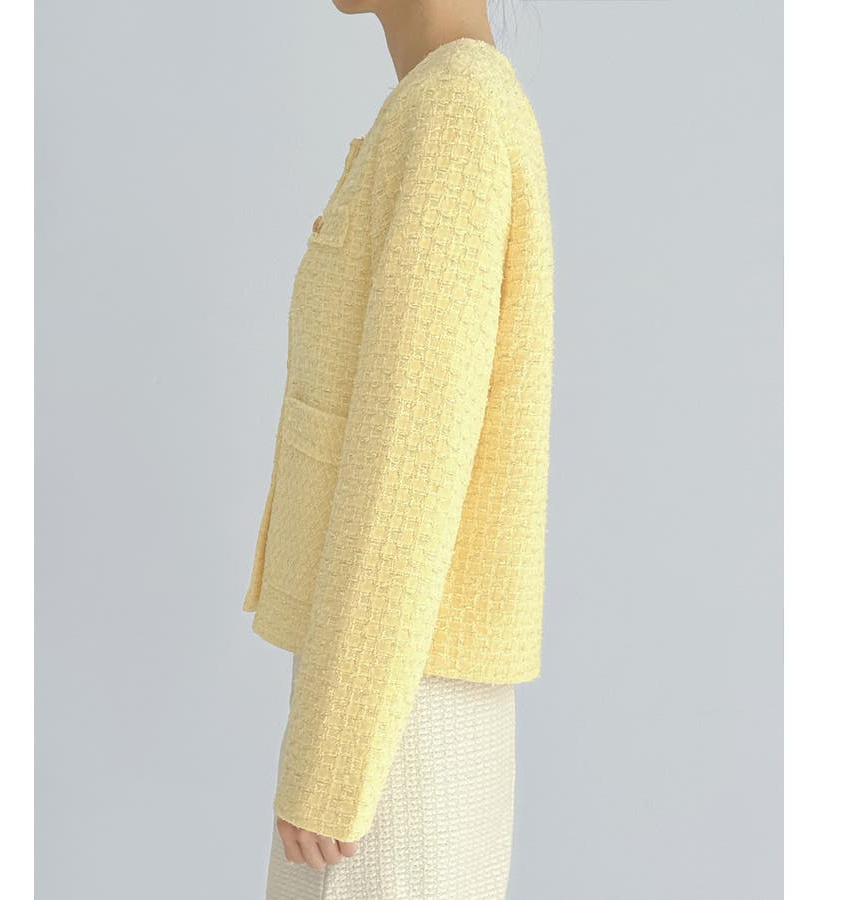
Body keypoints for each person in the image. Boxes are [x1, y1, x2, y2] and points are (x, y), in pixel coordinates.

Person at [241, 2, 553, 896]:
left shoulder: (454, 110)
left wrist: (335, 754)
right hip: (397, 684)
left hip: (396, 709)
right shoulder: (444, 100)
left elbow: (408, 464)